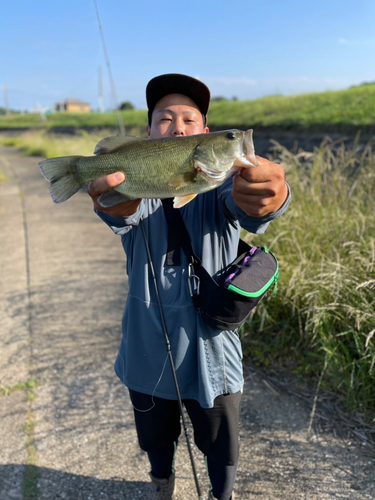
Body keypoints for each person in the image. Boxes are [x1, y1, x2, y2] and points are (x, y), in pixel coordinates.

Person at [87, 74, 290, 500]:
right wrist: (110, 200)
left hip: (211, 352)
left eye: (189, 119)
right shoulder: (137, 188)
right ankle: (162, 482)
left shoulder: (217, 189)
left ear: (203, 133)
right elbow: (120, 214)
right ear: (148, 133)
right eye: (164, 118)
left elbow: (252, 207)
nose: (177, 126)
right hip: (145, 347)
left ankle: (223, 494)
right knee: (155, 439)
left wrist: (273, 195)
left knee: (223, 444)